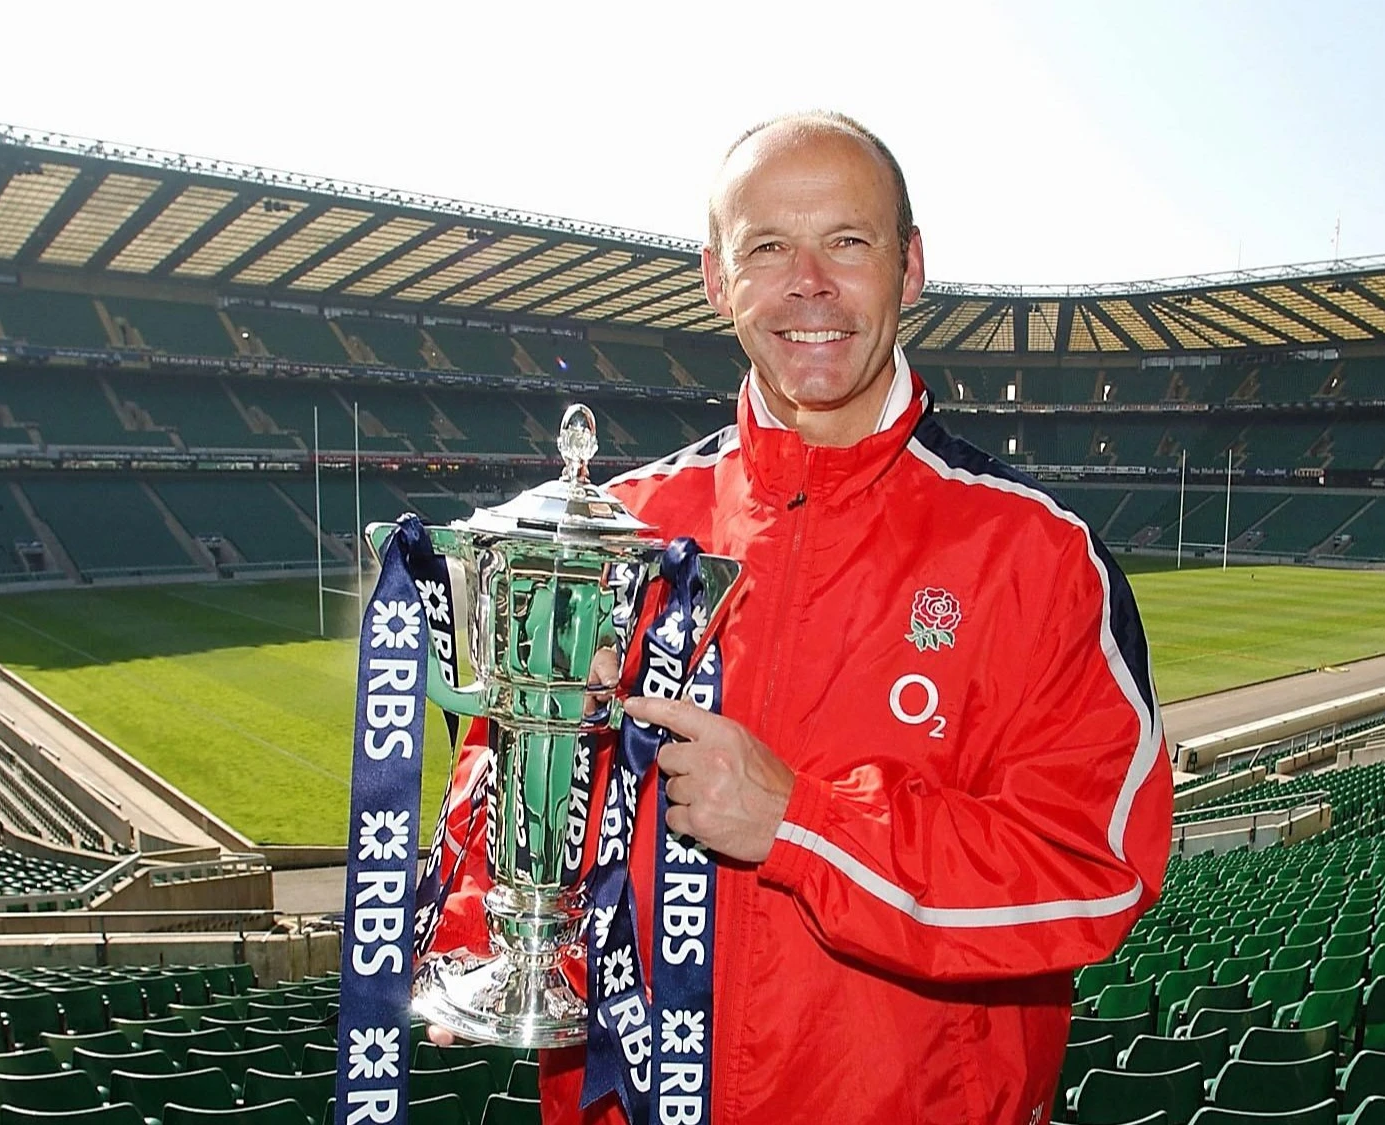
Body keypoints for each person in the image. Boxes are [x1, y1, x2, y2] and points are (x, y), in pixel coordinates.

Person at [424, 111, 1173, 1124]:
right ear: (715, 279)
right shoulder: (624, 528)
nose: (807, 282)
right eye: (767, 247)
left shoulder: (1035, 553)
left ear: (909, 268)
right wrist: (484, 920)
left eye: (846, 242)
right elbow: (506, 756)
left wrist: (802, 824)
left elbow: (1093, 870)